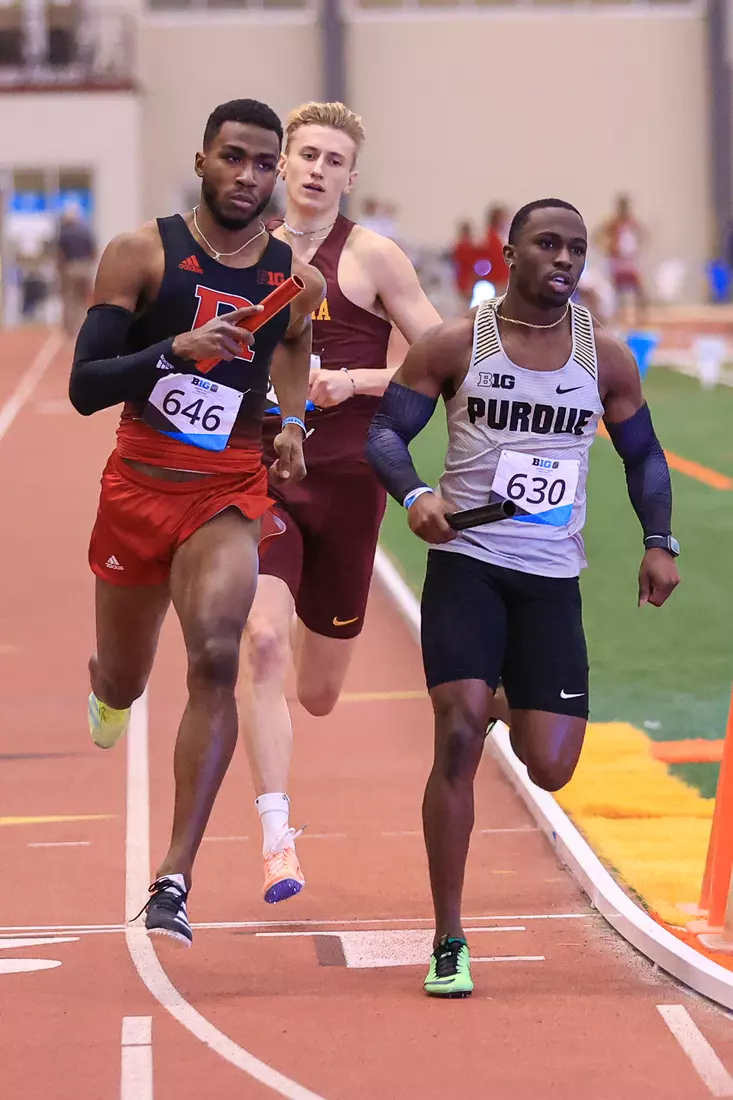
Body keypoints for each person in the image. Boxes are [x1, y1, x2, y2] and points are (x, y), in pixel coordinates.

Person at [366, 198, 680, 997]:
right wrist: (414, 496)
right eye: (547, 244)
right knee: (456, 733)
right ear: (510, 254)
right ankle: (448, 937)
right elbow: (385, 433)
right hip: (467, 564)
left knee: (551, 767)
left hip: (550, 577)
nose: (564, 258)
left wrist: (658, 540)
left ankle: (499, 699)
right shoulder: (454, 344)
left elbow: (642, 456)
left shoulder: (605, 359)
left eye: (575, 247)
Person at [68, 98, 325, 947]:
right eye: (233, 157)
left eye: (264, 162)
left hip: (227, 489)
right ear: (202, 160)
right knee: (126, 678)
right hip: (139, 483)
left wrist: (292, 422)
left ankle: (174, 877)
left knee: (216, 653)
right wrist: (174, 351)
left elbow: (294, 344)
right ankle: (108, 689)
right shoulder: (140, 253)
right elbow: (84, 385)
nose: (248, 176)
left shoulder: (295, 278)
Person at [238, 101, 442, 904]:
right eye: (307, 154)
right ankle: (276, 839)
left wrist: (352, 380)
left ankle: (294, 622)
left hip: (350, 486)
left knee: (317, 695)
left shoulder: (373, 257)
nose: (317, 169)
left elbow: (442, 360)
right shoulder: (242, 252)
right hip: (264, 475)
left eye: (333, 160)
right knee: (260, 641)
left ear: (350, 177)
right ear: (281, 164)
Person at [596, 194, 647, 324]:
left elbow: (643, 233)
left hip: (629, 261)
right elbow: (597, 235)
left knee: (639, 289)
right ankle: (618, 317)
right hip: (617, 261)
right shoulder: (613, 223)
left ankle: (641, 317)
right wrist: (608, 247)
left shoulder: (632, 222)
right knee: (617, 291)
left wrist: (636, 248)